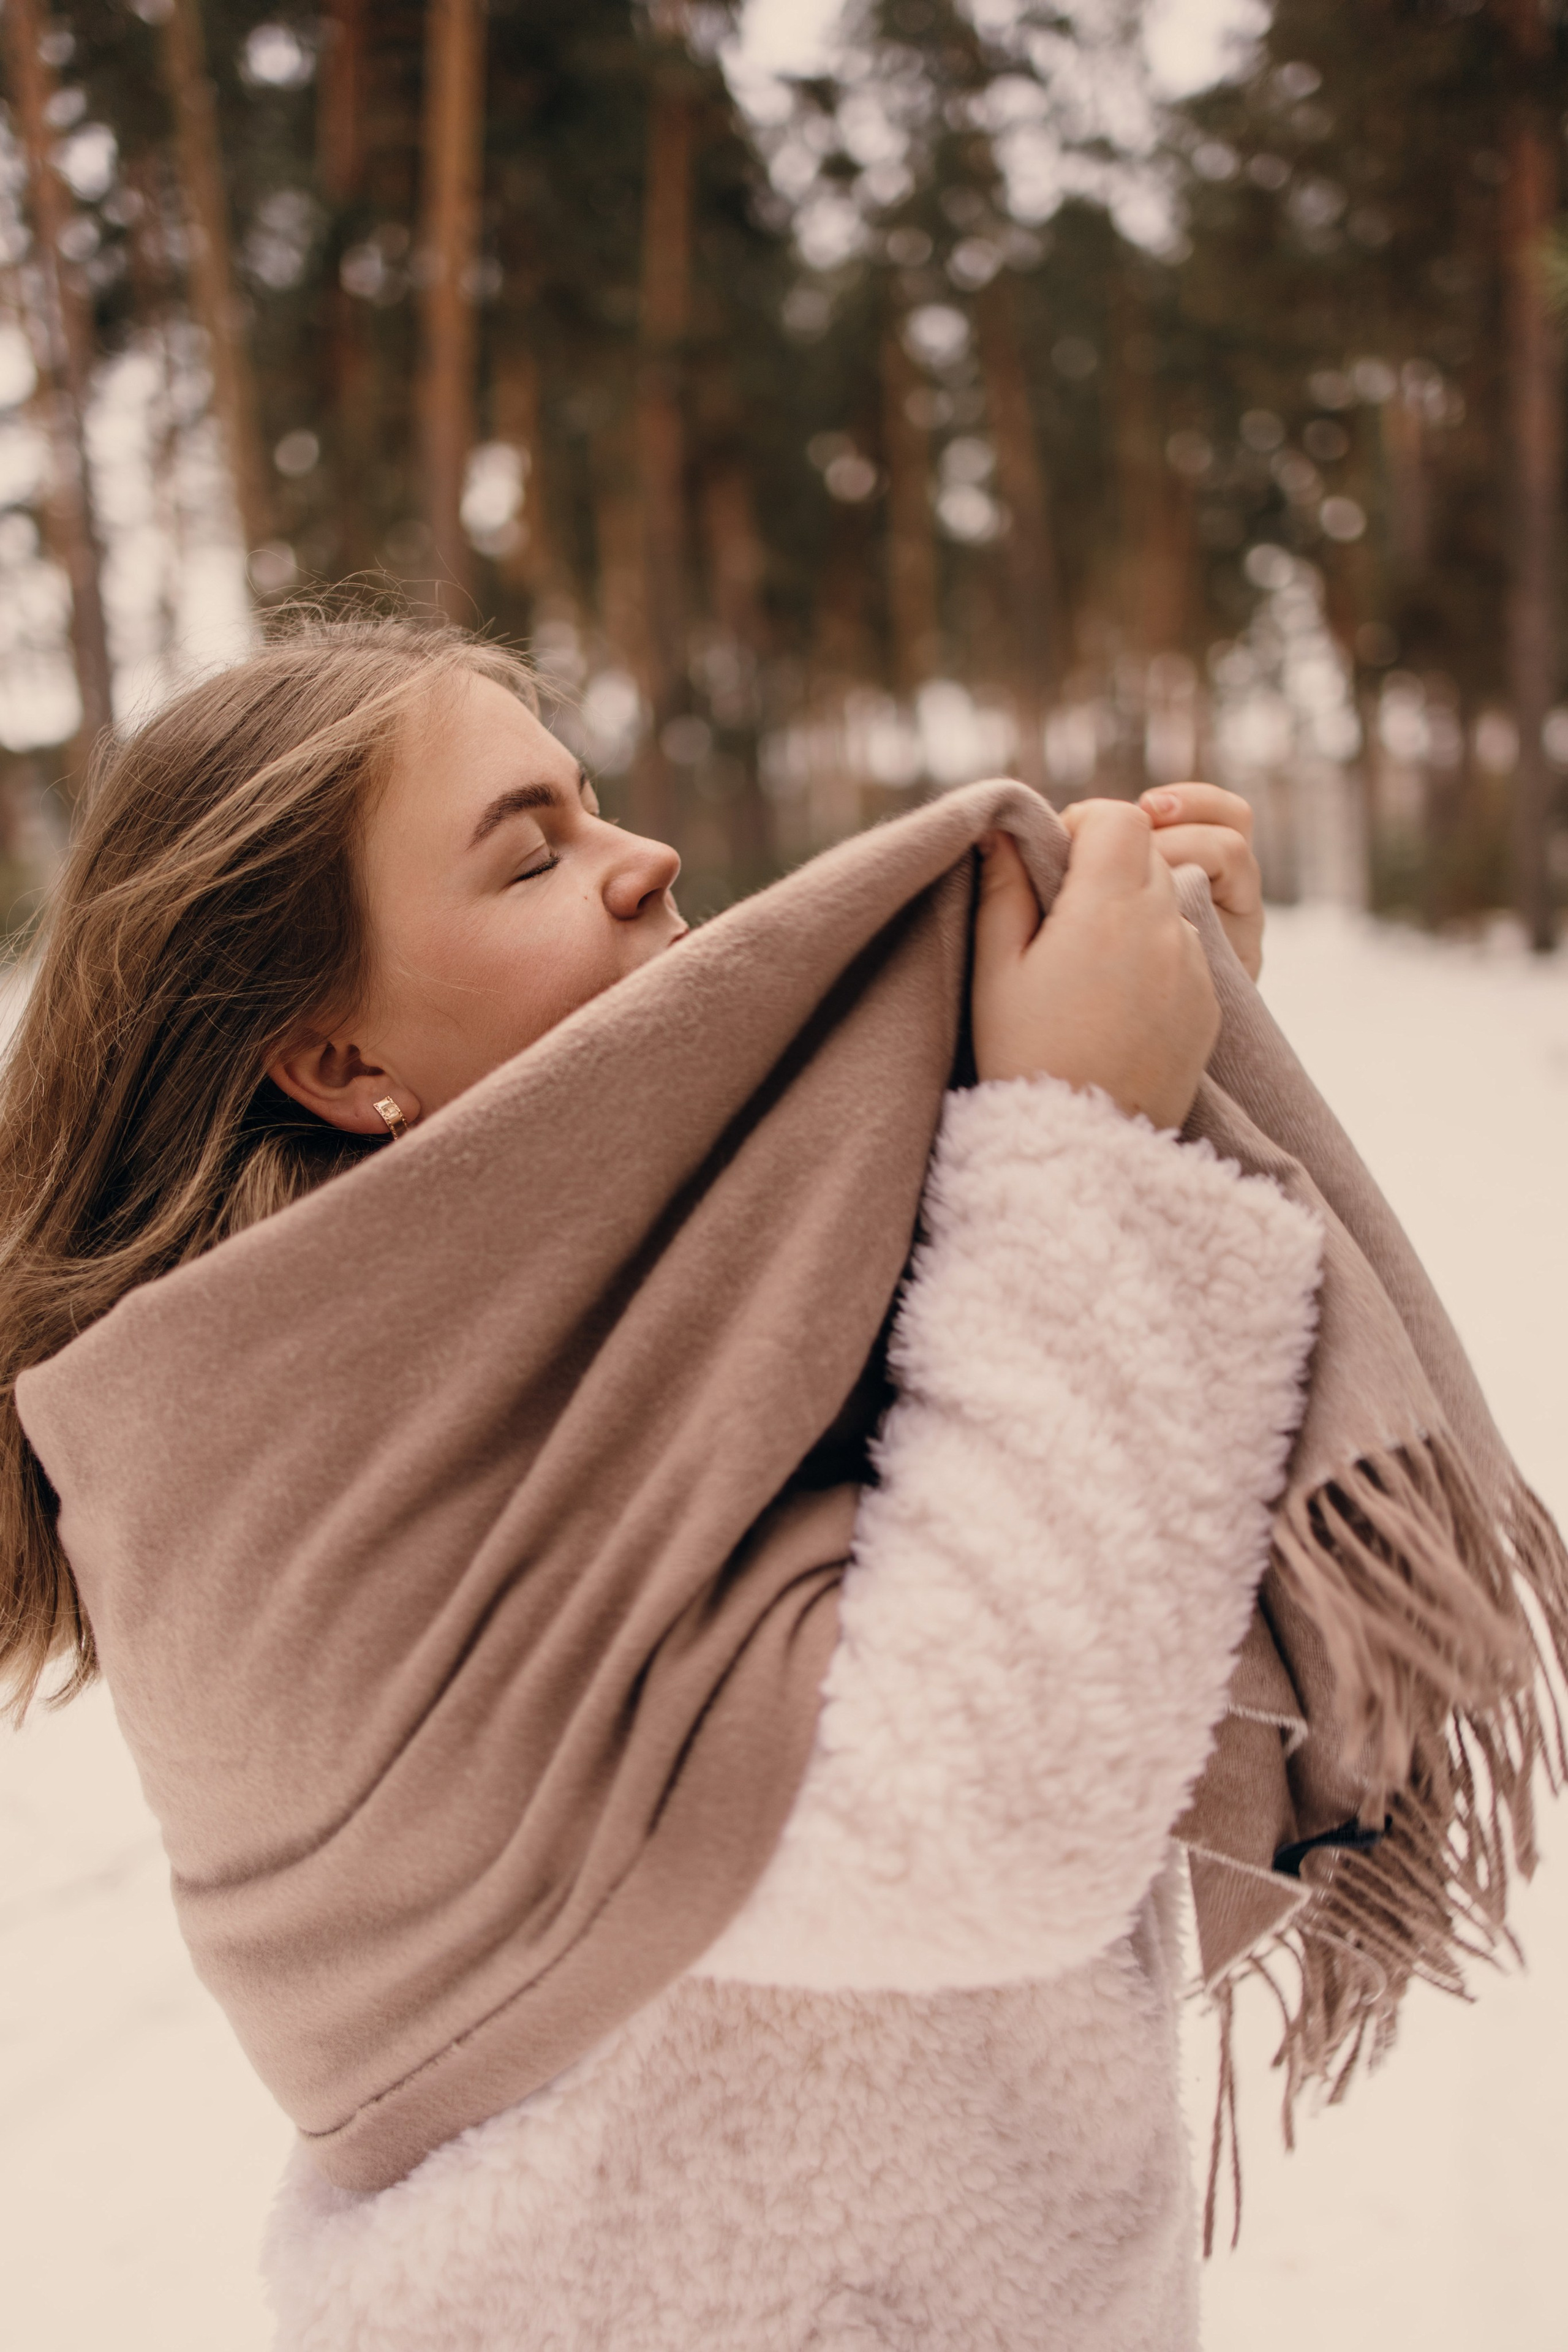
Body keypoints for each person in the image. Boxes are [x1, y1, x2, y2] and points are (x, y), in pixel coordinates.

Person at [0, 614, 1322, 2351]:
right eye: (532, 852)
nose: (650, 863)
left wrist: (1149, 1052)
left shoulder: (699, 1296)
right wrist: (1080, 1151)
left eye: (594, 805)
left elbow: (1040, 1522)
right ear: (335, 1060)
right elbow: (984, 1815)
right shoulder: (276, 1474)